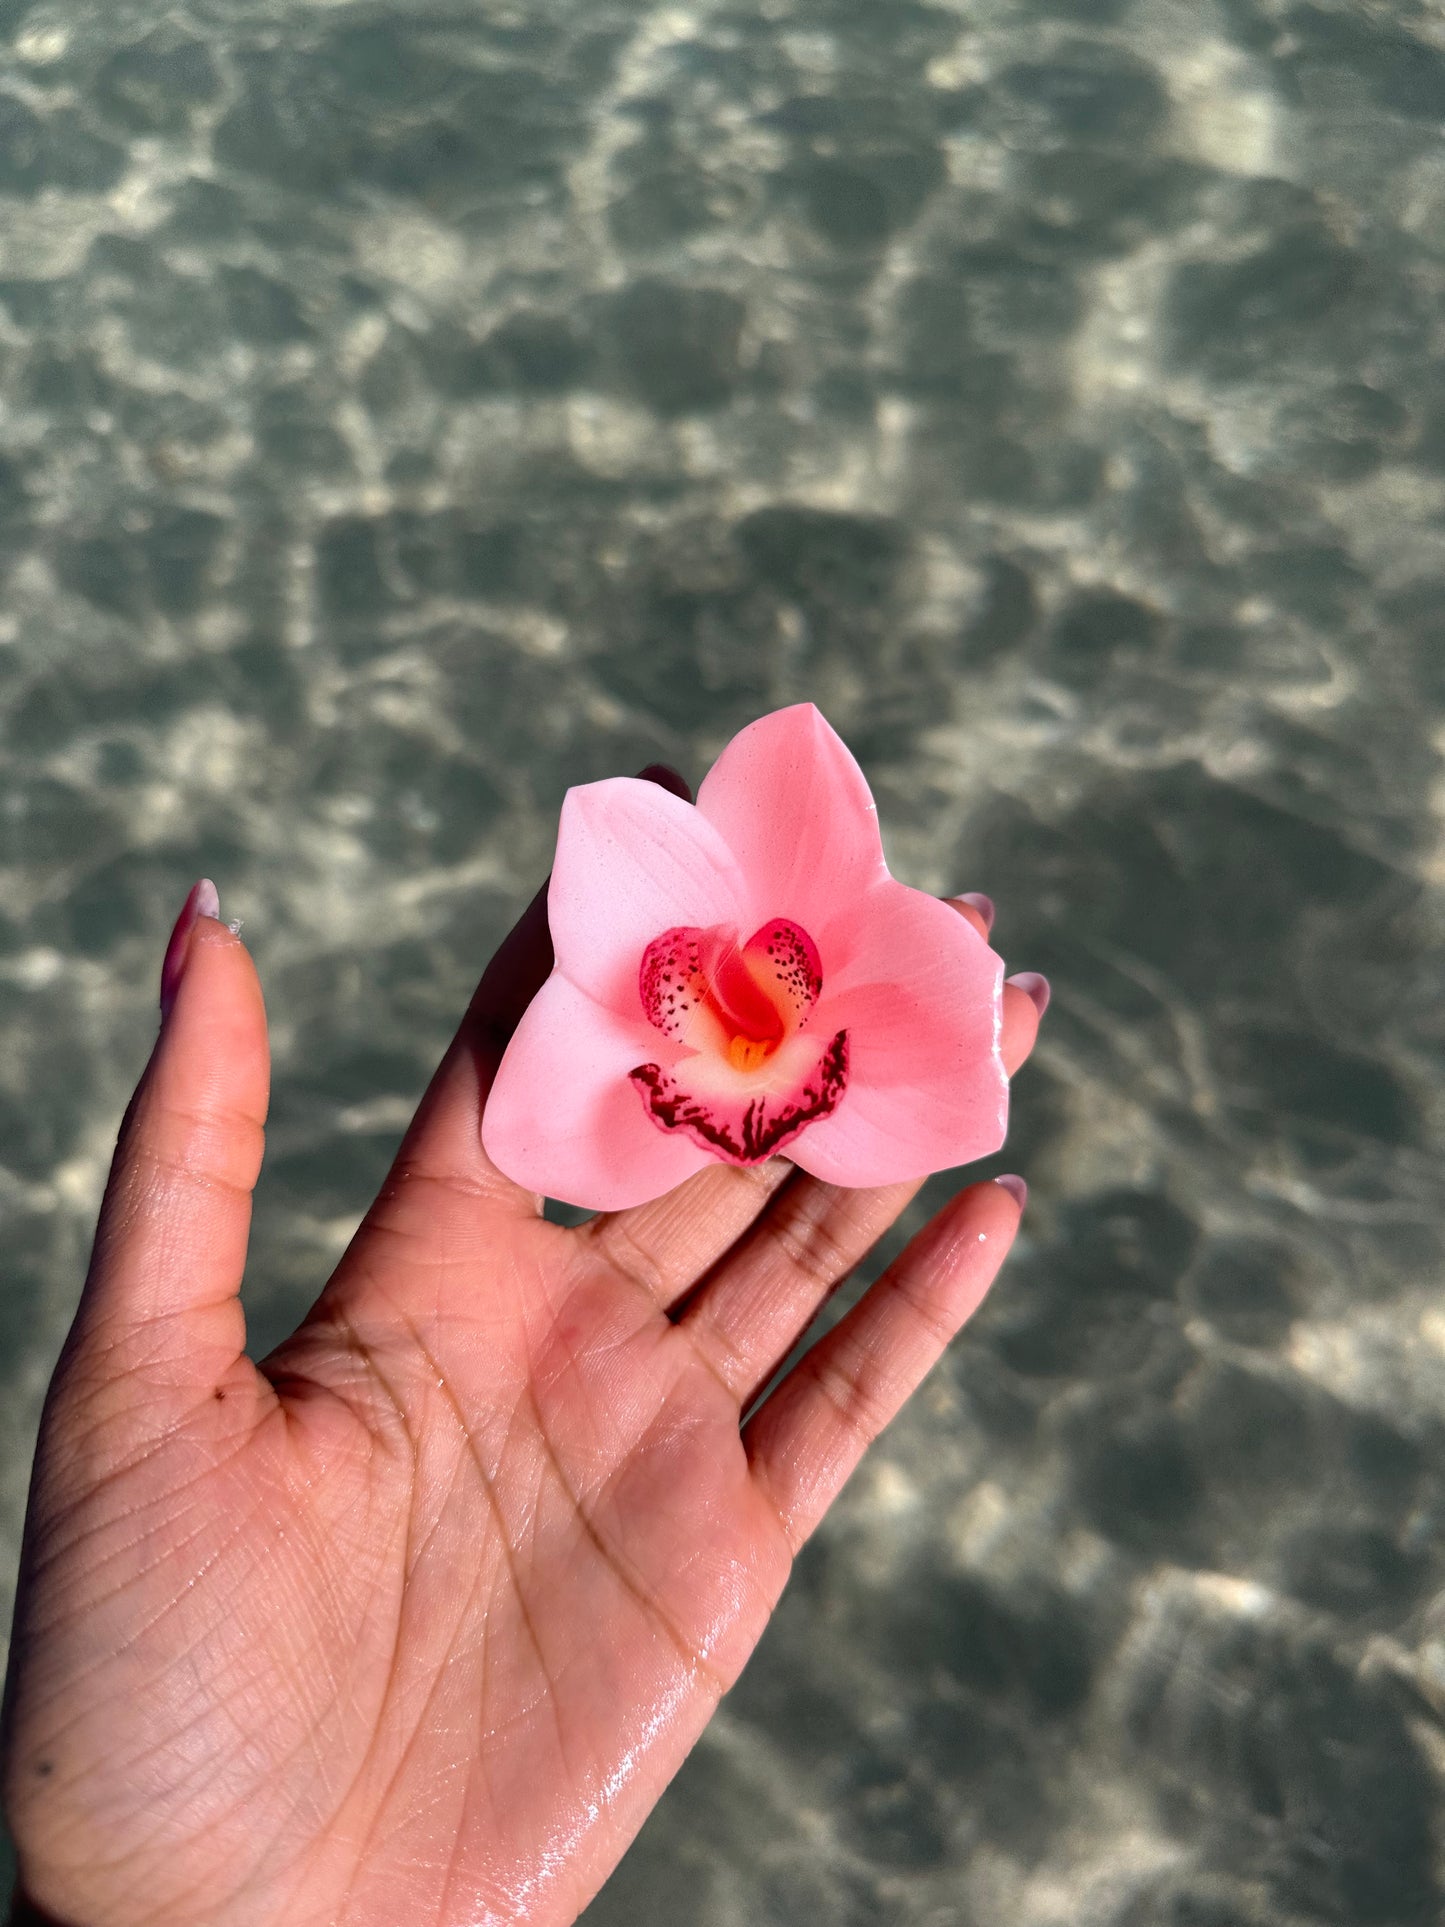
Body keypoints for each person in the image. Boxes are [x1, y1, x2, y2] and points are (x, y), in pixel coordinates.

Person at [1, 766, 1046, 1927]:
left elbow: (947, 1080)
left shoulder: (764, 977)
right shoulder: (615, 1044)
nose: (742, 1009)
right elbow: (540, 1125)